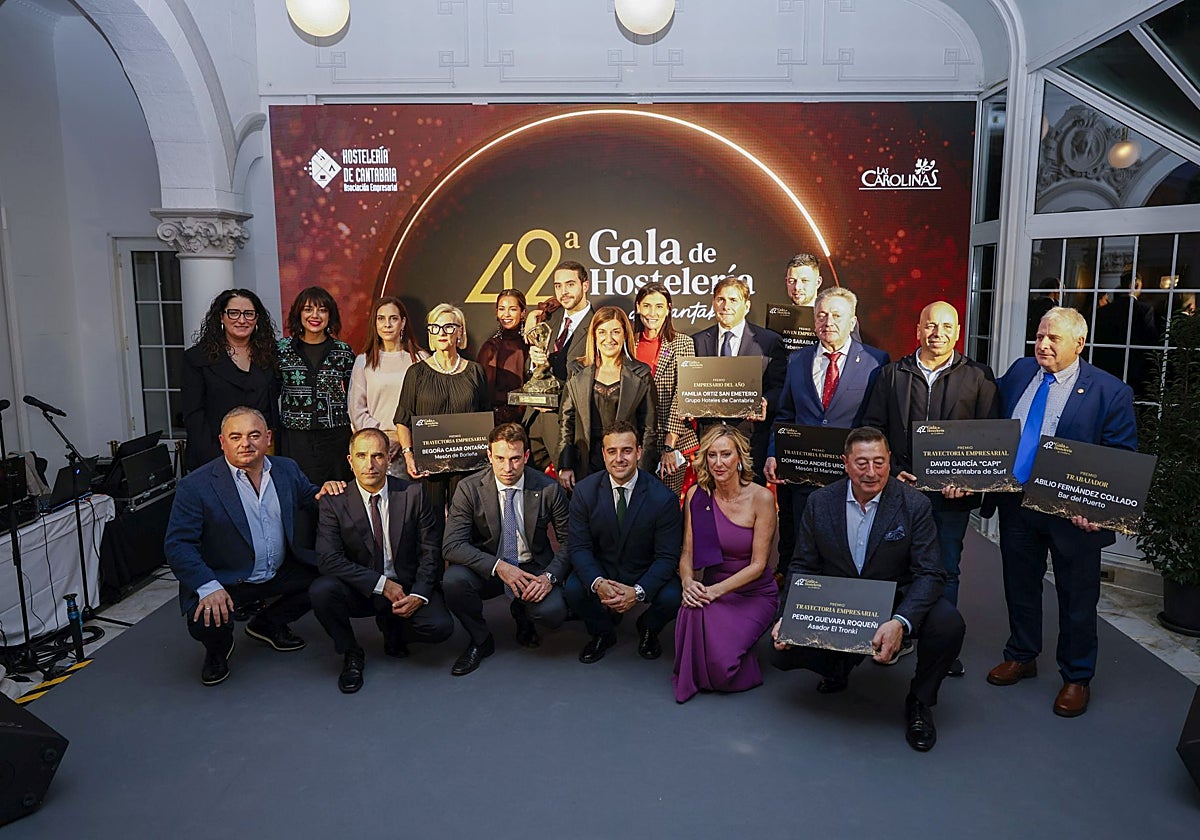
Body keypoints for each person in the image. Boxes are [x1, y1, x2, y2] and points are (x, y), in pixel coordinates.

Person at [770, 426, 965, 752]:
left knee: (948, 624)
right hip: (839, 600)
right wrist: (787, 616)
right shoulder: (819, 502)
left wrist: (900, 621)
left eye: (879, 462)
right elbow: (802, 566)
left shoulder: (914, 504)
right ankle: (838, 666)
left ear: (889, 460)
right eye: (862, 463)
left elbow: (931, 573)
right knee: (779, 648)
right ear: (845, 463)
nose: (871, 472)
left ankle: (919, 701)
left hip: (894, 597)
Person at [984, 306, 1137, 718]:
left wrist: (1097, 510)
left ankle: (1076, 676)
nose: (1044, 344)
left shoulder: (1110, 392)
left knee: (1077, 597)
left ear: (1079, 344)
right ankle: (1022, 654)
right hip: (1017, 504)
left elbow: (1121, 459)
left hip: (1073, 516)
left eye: (1054, 338)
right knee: (1019, 585)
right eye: (1040, 335)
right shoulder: (1018, 373)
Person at [859, 300, 999, 676]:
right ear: (917, 329)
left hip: (951, 499)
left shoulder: (980, 378)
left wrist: (970, 482)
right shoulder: (890, 375)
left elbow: (990, 440)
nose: (939, 334)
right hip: (899, 491)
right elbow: (871, 430)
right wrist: (891, 474)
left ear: (958, 332)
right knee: (894, 564)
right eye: (931, 326)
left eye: (948, 327)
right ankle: (897, 635)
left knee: (946, 568)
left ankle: (941, 647)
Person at [164, 407, 345, 686]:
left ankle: (267, 623)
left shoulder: (286, 469)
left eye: (254, 435)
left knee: (328, 578)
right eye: (235, 437)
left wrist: (327, 490)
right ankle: (217, 649)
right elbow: (178, 544)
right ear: (222, 442)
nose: (245, 443)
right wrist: (208, 586)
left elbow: (311, 497)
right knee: (206, 619)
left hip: (278, 571)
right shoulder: (195, 486)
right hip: (226, 579)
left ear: (268, 438)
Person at [310, 428, 453, 693]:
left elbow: (430, 550)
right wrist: (381, 584)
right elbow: (328, 560)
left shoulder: (413, 494)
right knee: (322, 591)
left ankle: (394, 627)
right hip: (362, 587)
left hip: (406, 586)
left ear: (389, 459)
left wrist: (420, 594)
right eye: (361, 456)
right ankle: (351, 652)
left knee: (441, 627)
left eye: (377, 456)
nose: (370, 464)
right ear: (350, 461)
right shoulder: (334, 501)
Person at [765, 287, 889, 584]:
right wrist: (773, 451)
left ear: (852, 321)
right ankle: (797, 610)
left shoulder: (876, 362)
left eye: (836, 315)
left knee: (848, 550)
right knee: (801, 548)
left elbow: (879, 422)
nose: (828, 321)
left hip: (853, 479)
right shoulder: (797, 361)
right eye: (821, 315)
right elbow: (785, 415)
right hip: (803, 476)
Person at [442, 422, 571, 676]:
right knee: (454, 581)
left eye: (514, 459)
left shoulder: (548, 488)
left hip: (531, 567)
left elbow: (570, 541)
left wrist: (549, 577)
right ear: (489, 455)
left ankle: (523, 613)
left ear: (525, 456)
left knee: (554, 613)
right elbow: (452, 545)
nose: (507, 468)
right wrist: (499, 567)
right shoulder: (469, 488)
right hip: (489, 566)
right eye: (500, 458)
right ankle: (480, 640)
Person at [672, 426, 778, 703]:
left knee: (723, 671)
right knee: (690, 608)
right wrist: (688, 583)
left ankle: (745, 659)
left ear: (739, 458)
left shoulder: (761, 498)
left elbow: (759, 564)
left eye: (726, 455)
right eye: (712, 455)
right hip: (712, 585)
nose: (719, 463)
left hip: (753, 593)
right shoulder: (697, 495)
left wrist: (715, 591)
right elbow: (687, 552)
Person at [565, 420, 683, 664]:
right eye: (612, 451)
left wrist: (638, 592)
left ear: (639, 452)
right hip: (603, 569)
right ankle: (602, 632)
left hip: (643, 570)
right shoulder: (585, 492)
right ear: (603, 454)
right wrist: (598, 583)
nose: (619, 458)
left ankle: (648, 626)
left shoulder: (663, 499)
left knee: (673, 596)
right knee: (574, 589)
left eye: (626, 450)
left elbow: (667, 557)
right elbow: (579, 547)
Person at [393, 303, 490, 521]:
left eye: (448, 327)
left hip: (468, 465)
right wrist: (409, 455)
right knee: (431, 523)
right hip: (430, 466)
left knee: (465, 520)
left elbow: (485, 416)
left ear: (460, 332)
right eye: (435, 327)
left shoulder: (475, 372)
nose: (442, 333)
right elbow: (403, 419)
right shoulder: (416, 373)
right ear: (430, 333)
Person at [691, 277, 787, 484]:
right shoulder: (698, 341)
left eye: (733, 300)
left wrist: (765, 402)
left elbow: (780, 387)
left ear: (747, 305)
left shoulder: (768, 341)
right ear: (713, 302)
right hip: (710, 439)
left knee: (750, 502)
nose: (726, 306)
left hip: (750, 438)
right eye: (720, 299)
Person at [181, 289, 280, 472]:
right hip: (214, 456)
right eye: (233, 313)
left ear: (257, 318)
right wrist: (217, 459)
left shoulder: (270, 356)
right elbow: (193, 415)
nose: (241, 320)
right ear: (221, 317)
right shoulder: (197, 359)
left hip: (263, 456)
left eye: (249, 314)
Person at [558, 306, 655, 490]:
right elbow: (566, 421)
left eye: (615, 332)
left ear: (625, 335)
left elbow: (649, 430)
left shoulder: (641, 374)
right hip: (585, 465)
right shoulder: (577, 371)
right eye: (602, 332)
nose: (608, 339)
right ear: (594, 335)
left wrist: (642, 473)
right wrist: (565, 464)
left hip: (625, 463)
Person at [276, 286, 356, 483]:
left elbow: (354, 395)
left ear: (330, 315)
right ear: (299, 314)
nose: (315, 315)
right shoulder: (282, 350)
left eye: (322, 310)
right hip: (295, 437)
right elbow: (271, 391)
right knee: (298, 491)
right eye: (308, 309)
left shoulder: (343, 352)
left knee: (338, 492)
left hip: (335, 437)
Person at [526, 260, 596, 470]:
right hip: (533, 419)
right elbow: (534, 369)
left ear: (585, 285)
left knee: (570, 490)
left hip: (567, 424)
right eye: (558, 285)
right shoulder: (548, 320)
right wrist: (535, 363)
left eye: (570, 284)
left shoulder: (597, 326)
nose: (563, 291)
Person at [347, 296, 427, 476]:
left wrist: (404, 438)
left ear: (403, 322)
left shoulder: (421, 360)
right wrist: (383, 439)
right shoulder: (363, 362)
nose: (387, 324)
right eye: (381, 318)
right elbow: (357, 410)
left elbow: (428, 409)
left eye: (393, 318)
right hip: (376, 451)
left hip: (413, 450)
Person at [633, 282, 699, 497]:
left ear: (669, 308)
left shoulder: (683, 343)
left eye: (659, 306)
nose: (652, 313)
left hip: (670, 439)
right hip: (633, 439)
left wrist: (669, 447)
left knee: (666, 504)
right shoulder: (627, 343)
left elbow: (684, 394)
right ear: (637, 307)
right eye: (647, 306)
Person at [476, 288, 529, 425]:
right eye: (501, 309)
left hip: (529, 418)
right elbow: (482, 391)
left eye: (512, 309)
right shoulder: (491, 347)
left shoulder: (531, 345)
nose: (506, 314)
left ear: (523, 313)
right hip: (498, 420)